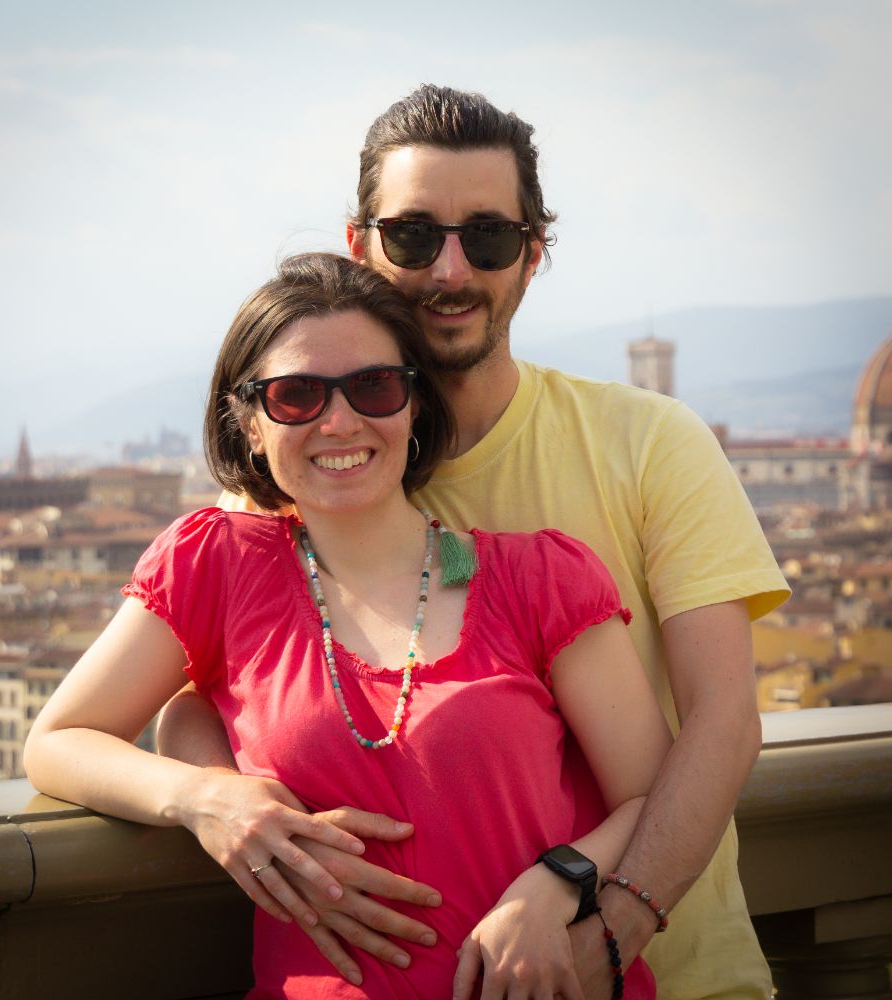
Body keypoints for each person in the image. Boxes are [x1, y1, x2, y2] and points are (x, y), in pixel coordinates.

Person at [157, 86, 791, 999]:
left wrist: (604, 927)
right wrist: (213, 798)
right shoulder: (292, 478)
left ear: (533, 255)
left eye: (487, 238)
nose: (451, 270)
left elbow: (725, 721)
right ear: (359, 245)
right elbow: (198, 700)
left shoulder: (650, 443)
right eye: (414, 235)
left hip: (682, 975)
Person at [24, 252, 672, 999]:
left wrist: (558, 887)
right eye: (296, 395)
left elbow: (656, 796)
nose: (339, 420)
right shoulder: (216, 567)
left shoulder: (542, 579)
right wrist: (208, 800)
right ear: (250, 425)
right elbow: (59, 742)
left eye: (374, 386)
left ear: (415, 405)